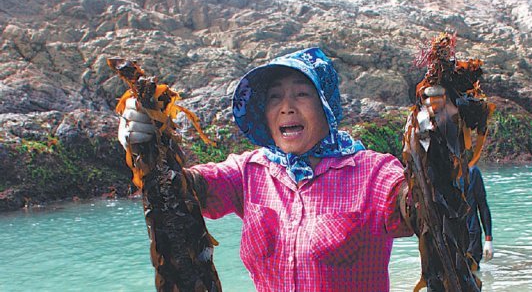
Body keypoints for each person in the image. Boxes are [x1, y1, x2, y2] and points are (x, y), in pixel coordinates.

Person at [118, 47, 415, 291]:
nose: (286, 107)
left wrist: (440, 135)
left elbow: (418, 204)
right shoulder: (250, 171)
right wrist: (149, 140)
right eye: (275, 97)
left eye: (301, 94)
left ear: (325, 105)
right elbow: (185, 190)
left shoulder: (372, 173)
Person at [460, 166, 493, 267]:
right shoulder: (441, 170)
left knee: (473, 276)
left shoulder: (472, 171)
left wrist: (488, 239)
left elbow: (482, 205)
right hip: (449, 237)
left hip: (472, 236)